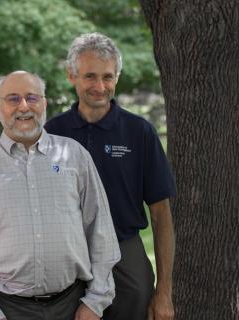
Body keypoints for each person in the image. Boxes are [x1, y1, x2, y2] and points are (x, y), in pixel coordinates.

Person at [0, 70, 120, 320]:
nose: (24, 106)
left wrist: (95, 301)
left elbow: (101, 230)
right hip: (8, 309)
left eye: (32, 98)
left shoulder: (74, 155)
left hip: (73, 306)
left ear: (44, 103)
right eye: (12, 99)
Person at [45, 33, 176, 320]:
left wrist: (164, 291)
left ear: (117, 77)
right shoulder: (51, 133)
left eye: (108, 77)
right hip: (67, 254)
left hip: (124, 251)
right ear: (72, 76)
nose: (100, 86)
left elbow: (161, 214)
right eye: (90, 76)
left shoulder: (139, 132)